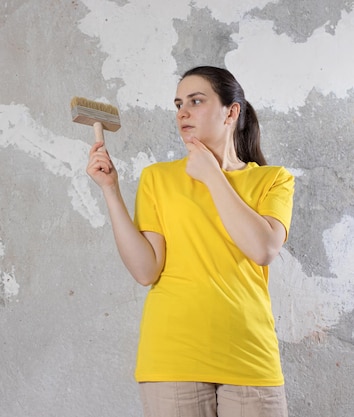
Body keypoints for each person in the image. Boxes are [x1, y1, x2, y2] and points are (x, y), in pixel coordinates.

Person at [86, 66, 294, 417]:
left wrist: (213, 175)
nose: (183, 112)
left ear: (231, 111)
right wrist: (110, 190)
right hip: (173, 355)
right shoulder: (158, 178)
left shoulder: (273, 180)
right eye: (179, 103)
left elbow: (263, 249)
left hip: (250, 355)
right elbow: (145, 270)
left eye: (196, 101)